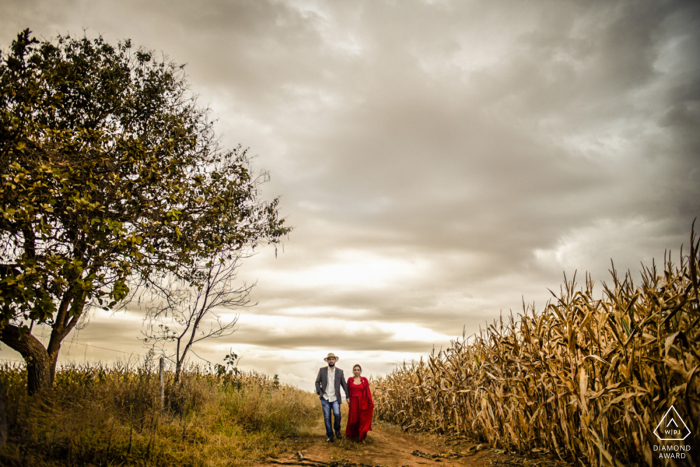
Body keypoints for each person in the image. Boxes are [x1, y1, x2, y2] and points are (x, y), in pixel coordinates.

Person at [315, 352, 350, 442]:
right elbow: (317, 382)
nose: (331, 361)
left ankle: (337, 431)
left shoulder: (339, 372)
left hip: (335, 398)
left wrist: (347, 395)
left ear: (335, 360)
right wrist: (319, 392)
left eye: (332, 359)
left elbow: (344, 384)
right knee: (327, 417)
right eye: (329, 359)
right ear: (327, 360)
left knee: (337, 414)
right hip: (325, 397)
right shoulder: (322, 370)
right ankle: (330, 436)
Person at [345, 364, 374, 442]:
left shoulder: (364, 380)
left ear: (360, 371)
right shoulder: (350, 380)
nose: (356, 371)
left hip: (362, 401)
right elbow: (347, 390)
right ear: (353, 371)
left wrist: (370, 402)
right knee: (353, 419)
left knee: (362, 419)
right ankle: (351, 436)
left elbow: (368, 391)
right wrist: (347, 398)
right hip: (353, 401)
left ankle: (362, 437)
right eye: (355, 370)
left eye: (358, 370)